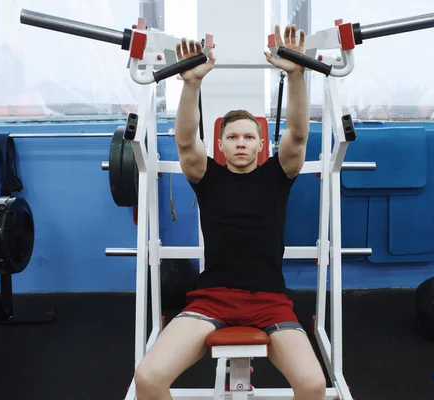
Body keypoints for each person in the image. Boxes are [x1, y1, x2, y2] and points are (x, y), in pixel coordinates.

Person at [134, 24, 327, 400]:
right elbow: (186, 140)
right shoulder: (208, 177)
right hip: (212, 297)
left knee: (313, 384)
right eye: (233, 137)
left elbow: (299, 134)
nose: (241, 143)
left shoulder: (278, 175)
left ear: (261, 144)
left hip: (270, 300)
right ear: (220, 143)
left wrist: (297, 74)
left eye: (249, 136)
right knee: (148, 378)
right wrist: (190, 84)